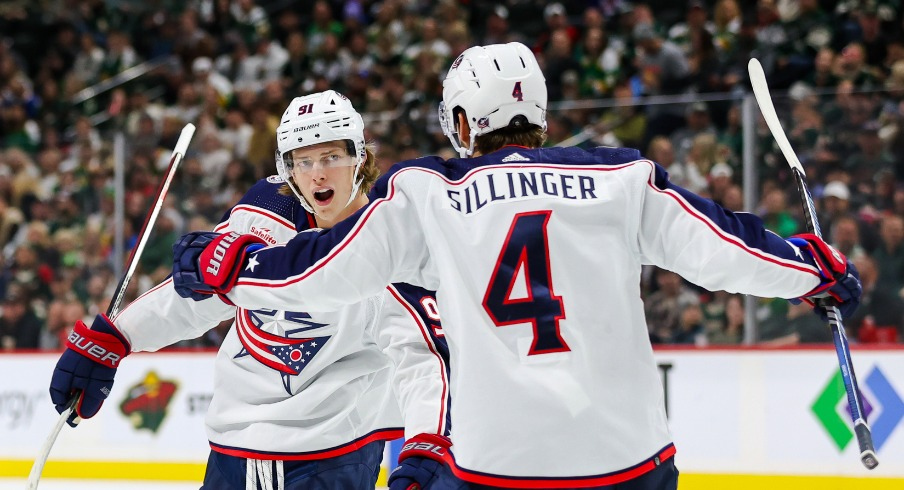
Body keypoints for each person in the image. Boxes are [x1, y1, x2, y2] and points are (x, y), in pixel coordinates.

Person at [171, 43, 861, 489]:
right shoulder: (623, 178)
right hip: (631, 461)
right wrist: (810, 268)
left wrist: (228, 265)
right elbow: (728, 249)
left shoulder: (429, 191)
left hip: (499, 467)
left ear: (465, 124)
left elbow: (320, 270)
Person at [49, 90, 451, 490]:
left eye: (331, 157)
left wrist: (426, 445)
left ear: (360, 156)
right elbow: (202, 295)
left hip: (332, 456)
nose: (318, 175)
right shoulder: (265, 210)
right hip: (232, 449)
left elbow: (421, 356)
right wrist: (117, 338)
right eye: (303, 161)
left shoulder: (390, 237)